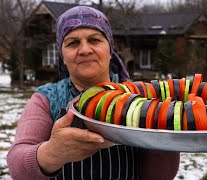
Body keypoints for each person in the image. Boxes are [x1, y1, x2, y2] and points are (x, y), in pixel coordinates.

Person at [7, 6, 180, 180]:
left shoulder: (140, 98)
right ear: (62, 56)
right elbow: (17, 167)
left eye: (95, 40)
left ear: (110, 50)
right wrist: (52, 153)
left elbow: (160, 176)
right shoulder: (46, 99)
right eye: (73, 43)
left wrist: (162, 135)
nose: (84, 50)